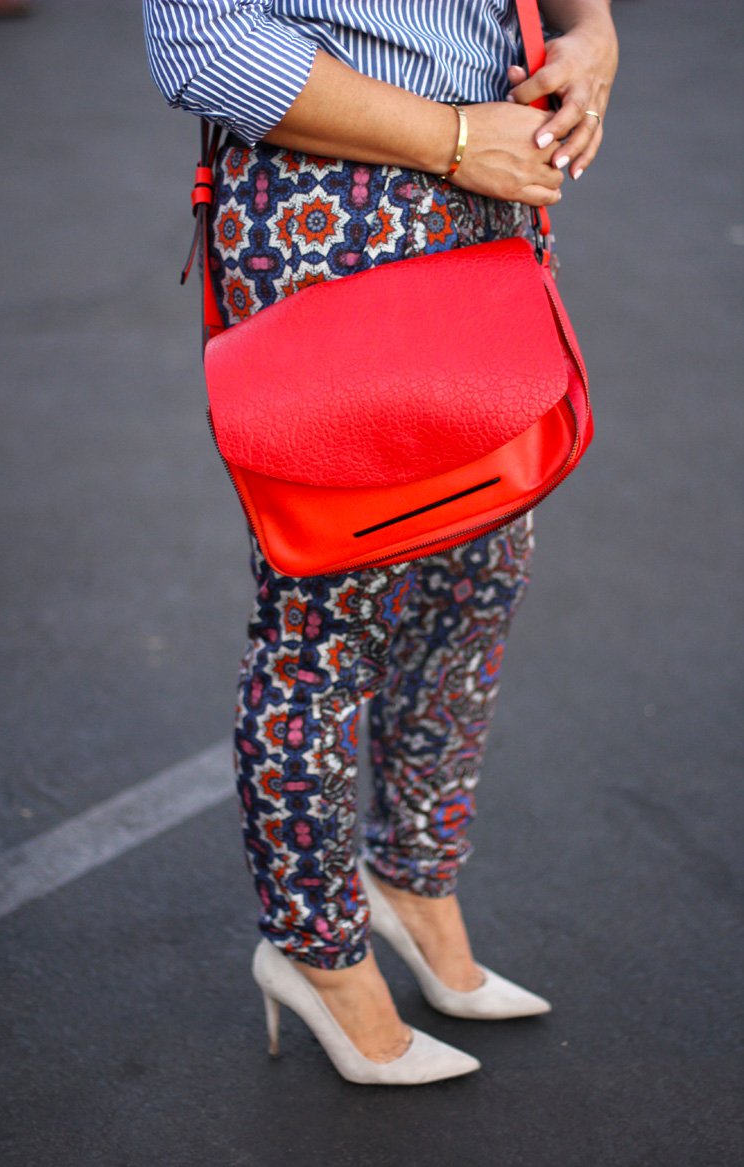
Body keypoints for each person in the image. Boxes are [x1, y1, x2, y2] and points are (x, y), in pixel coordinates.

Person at [144, 0, 618, 1085]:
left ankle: (412, 883)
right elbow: (203, 42)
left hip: (489, 192)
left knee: (477, 580)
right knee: (325, 609)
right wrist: (455, 139)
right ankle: (316, 951)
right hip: (334, 204)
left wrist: (591, 40)